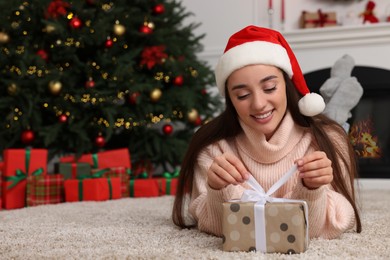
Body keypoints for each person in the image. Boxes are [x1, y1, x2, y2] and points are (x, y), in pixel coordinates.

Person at [172, 25, 362, 239]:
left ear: (287, 85)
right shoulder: (212, 148)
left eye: (270, 88)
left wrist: (312, 190)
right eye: (242, 95)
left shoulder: (329, 139)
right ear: (230, 101)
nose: (259, 104)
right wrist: (218, 190)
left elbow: (328, 228)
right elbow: (215, 228)